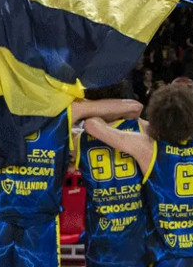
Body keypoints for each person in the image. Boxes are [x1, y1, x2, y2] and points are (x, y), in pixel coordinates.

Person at [84, 60, 193, 267]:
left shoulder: (148, 149)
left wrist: (129, 108)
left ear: (156, 117)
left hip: (166, 256)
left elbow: (92, 125)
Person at [0, 95, 144, 267]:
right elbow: (133, 108)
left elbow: (134, 108)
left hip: (7, 214)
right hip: (25, 217)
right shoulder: (65, 108)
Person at [76, 85, 150, 267]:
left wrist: (87, 109)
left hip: (100, 243)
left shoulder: (79, 139)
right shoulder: (144, 128)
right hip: (138, 241)